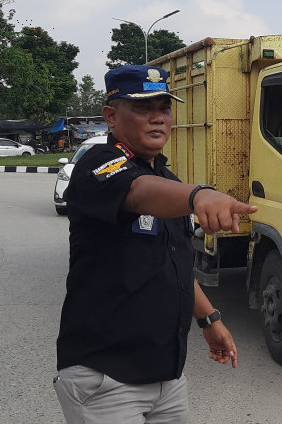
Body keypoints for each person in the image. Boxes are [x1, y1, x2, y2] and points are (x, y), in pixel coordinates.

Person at [54, 64, 257, 424]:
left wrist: (210, 319)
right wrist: (200, 195)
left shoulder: (165, 177)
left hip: (167, 377)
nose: (158, 119)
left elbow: (172, 262)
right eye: (144, 109)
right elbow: (138, 192)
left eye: (163, 108)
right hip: (106, 377)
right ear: (112, 116)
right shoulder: (98, 166)